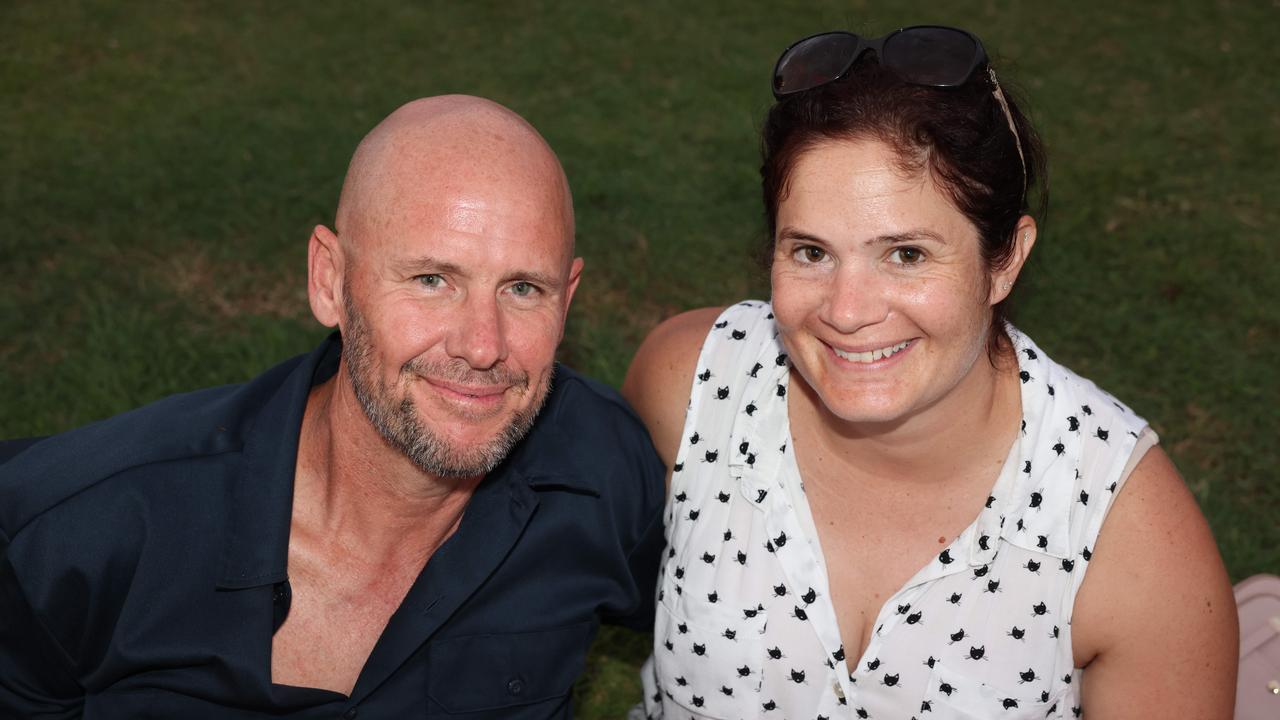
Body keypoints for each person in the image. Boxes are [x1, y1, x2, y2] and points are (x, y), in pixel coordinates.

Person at [624, 26, 1237, 719]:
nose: (847, 312)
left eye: (907, 255)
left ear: (1005, 260)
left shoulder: (1134, 544)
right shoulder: (690, 387)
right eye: (812, 252)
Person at [0, 95, 665, 718]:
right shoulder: (75, 533)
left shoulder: (601, 473)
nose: (483, 347)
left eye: (523, 289)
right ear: (330, 280)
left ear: (567, 299)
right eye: (432, 280)